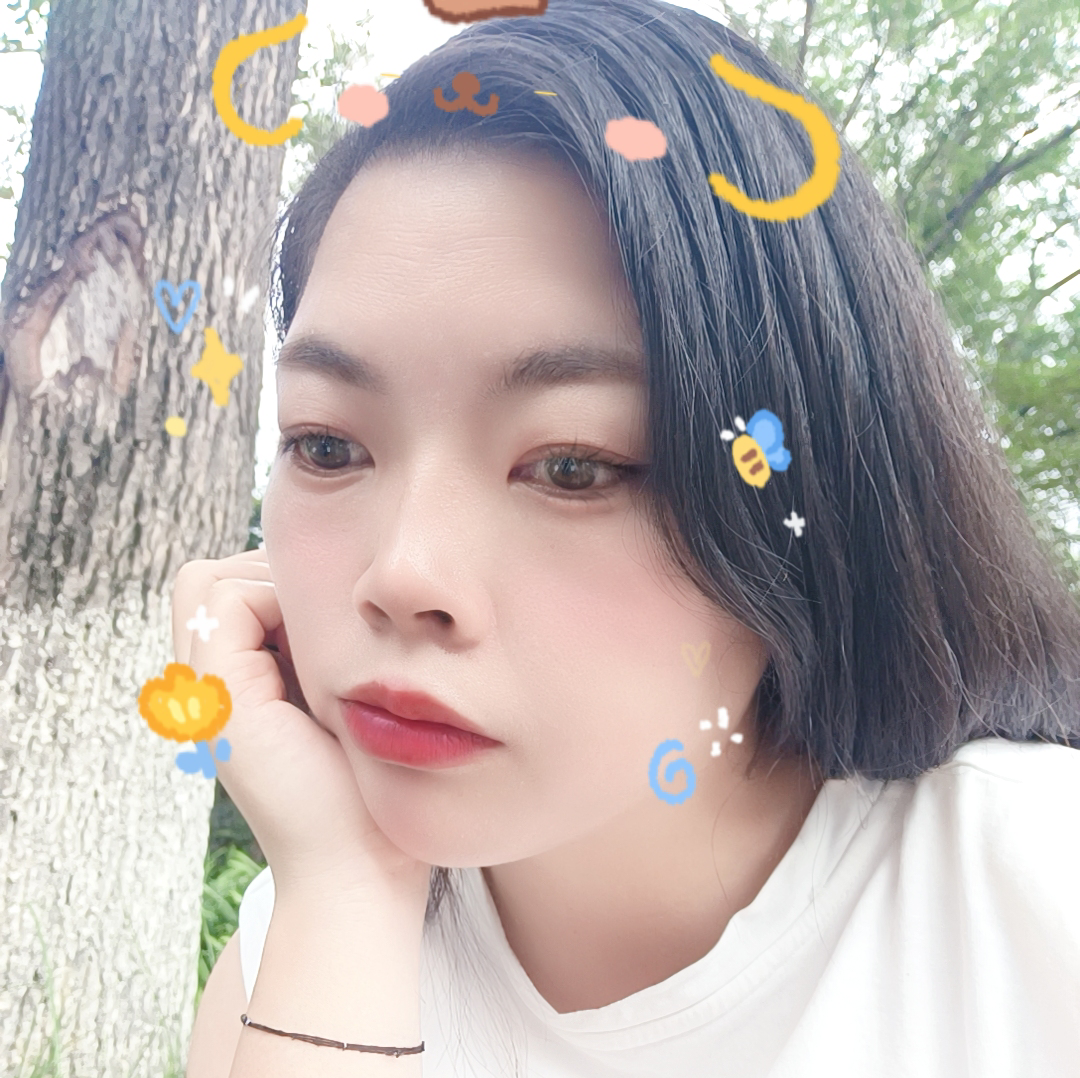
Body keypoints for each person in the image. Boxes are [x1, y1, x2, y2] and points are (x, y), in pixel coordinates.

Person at [178, 1, 1080, 1075]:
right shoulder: (298, 952)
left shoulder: (1033, 897)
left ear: (809, 497)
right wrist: (345, 896)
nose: (403, 572)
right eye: (327, 445)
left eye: (574, 465)